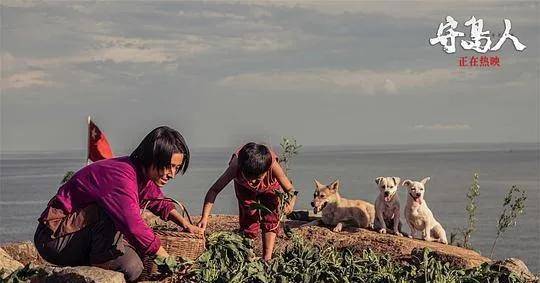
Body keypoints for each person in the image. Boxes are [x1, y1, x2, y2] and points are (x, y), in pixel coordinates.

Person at [34, 126, 203, 282]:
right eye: (168, 167)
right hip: (53, 239)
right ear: (152, 157)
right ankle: (99, 262)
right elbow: (133, 226)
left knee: (133, 268)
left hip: (85, 235)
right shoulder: (120, 176)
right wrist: (168, 260)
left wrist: (186, 224)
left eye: (176, 168)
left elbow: (158, 201)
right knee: (113, 212)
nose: (172, 174)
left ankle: (99, 259)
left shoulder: (142, 175)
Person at [198, 142, 297, 260]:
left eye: (257, 179)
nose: (252, 183)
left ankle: (267, 258)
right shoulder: (235, 166)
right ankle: (247, 253)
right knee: (248, 216)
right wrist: (204, 218)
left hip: (269, 187)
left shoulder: (272, 165)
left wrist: (290, 204)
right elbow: (214, 190)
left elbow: (291, 190)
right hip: (243, 189)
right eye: (249, 179)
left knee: (271, 217)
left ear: (266, 171)